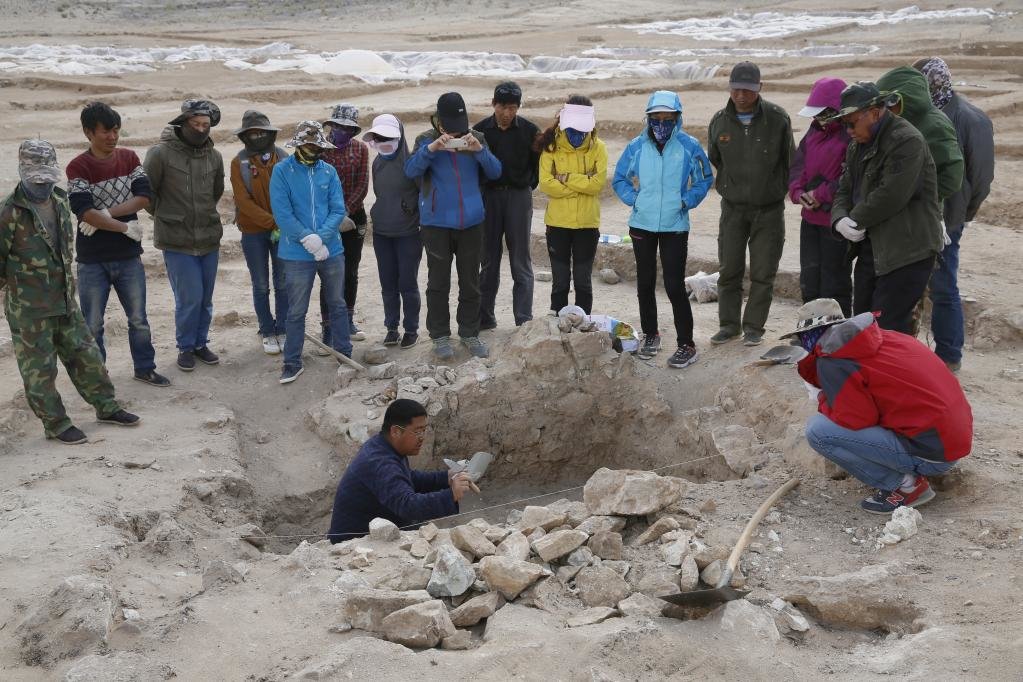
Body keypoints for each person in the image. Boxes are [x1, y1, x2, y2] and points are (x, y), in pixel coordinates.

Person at [1, 140, 140, 444]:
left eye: (47, 178)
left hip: (65, 300)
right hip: (30, 311)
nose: (42, 185)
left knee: (86, 355)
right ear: (22, 172)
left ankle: (107, 406)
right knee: (40, 371)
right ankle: (56, 424)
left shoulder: (61, 201)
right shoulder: (9, 213)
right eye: (36, 179)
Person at [784, 298, 972, 514]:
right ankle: (906, 470)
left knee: (818, 431)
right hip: (950, 440)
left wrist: (823, 398)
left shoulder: (835, 360)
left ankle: (906, 486)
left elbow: (856, 419)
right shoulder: (884, 336)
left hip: (932, 453)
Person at [67, 101, 169, 387]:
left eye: (115, 131)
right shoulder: (78, 166)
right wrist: (125, 226)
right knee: (93, 325)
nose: (112, 137)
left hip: (127, 256)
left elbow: (144, 197)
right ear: (89, 132)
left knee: (138, 319)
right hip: (92, 259)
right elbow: (83, 211)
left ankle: (145, 368)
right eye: (105, 132)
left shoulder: (129, 158)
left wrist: (106, 214)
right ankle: (97, 379)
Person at [830, 82, 944, 334]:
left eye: (851, 122)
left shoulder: (906, 141)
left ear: (874, 112)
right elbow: (844, 188)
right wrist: (839, 219)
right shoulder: (857, 144)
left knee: (889, 330)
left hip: (906, 250)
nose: (847, 130)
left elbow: (891, 194)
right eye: (844, 124)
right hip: (873, 247)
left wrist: (855, 219)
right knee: (862, 324)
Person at [613, 90, 713, 369]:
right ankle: (651, 335)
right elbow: (620, 178)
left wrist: (686, 201)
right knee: (644, 283)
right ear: (648, 118)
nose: (661, 124)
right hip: (642, 224)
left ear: (677, 119)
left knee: (673, 285)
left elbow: (704, 178)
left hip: (674, 225)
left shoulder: (689, 146)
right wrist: (636, 200)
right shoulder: (636, 146)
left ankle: (686, 344)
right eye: (656, 118)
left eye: (668, 118)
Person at [404, 92, 502, 361]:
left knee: (471, 282)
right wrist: (432, 149)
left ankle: (469, 333)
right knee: (438, 282)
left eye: (459, 125)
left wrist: (479, 152)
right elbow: (411, 171)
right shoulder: (425, 139)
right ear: (439, 121)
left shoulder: (477, 138)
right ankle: (439, 336)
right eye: (450, 126)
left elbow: (495, 172)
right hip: (435, 223)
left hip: (471, 222)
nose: (455, 131)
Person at [913, 57, 995, 372]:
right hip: (916, 215)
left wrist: (961, 214)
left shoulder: (970, 120)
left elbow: (981, 177)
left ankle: (948, 355)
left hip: (948, 218)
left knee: (943, 285)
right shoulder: (917, 114)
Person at [707, 61, 795, 347]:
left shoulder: (778, 119)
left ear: (759, 88)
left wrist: (776, 190)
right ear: (730, 88)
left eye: (748, 90)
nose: (741, 96)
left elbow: (790, 161)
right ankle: (729, 325)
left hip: (768, 210)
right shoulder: (719, 121)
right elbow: (716, 158)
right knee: (729, 268)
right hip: (732, 209)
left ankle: (754, 327)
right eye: (736, 89)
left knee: (763, 271)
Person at [143, 99, 225, 372]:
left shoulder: (214, 156)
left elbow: (215, 192)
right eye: (196, 124)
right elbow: (148, 195)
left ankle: (201, 343)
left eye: (206, 125)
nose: (202, 129)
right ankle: (186, 347)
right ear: (183, 122)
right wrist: (169, 217)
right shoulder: (160, 153)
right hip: (177, 240)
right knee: (189, 298)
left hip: (209, 238)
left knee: (206, 298)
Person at [269, 121, 352, 384]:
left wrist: (322, 238)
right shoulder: (282, 171)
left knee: (338, 304)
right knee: (296, 311)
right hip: (296, 254)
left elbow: (338, 209)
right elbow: (282, 213)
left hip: (332, 249)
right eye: (308, 144)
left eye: (317, 144)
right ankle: (292, 362)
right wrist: (307, 238)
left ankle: (344, 355)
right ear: (298, 144)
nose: (313, 148)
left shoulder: (328, 171)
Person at [327, 399, 474, 542]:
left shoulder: (384, 446)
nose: (422, 437)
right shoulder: (379, 462)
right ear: (395, 431)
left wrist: (446, 478)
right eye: (417, 432)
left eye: (424, 430)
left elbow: (407, 478)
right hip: (353, 543)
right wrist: (451, 495)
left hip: (382, 524)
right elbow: (408, 506)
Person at [474, 81, 541, 330]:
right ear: (493, 104)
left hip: (518, 198)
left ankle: (524, 320)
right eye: (502, 107)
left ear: (518, 107)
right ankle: (485, 318)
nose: (507, 113)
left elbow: (537, 169)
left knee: (520, 261)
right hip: (488, 199)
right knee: (488, 260)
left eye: (512, 108)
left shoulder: (529, 131)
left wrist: (522, 188)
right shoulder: (480, 131)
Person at [787, 78, 853, 316]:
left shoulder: (850, 135)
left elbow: (851, 177)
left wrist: (821, 194)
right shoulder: (814, 131)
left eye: (822, 113)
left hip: (836, 222)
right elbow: (798, 166)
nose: (818, 118)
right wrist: (798, 192)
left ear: (836, 109)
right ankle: (811, 333)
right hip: (810, 220)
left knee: (835, 281)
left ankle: (837, 335)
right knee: (810, 278)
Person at [536, 95, 606, 317]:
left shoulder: (599, 148)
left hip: (587, 223)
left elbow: (597, 185)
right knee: (560, 280)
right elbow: (547, 184)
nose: (578, 136)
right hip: (558, 224)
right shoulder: (551, 148)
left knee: (583, 279)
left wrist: (566, 178)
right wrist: (582, 182)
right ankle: (557, 317)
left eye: (582, 131)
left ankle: (583, 321)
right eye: (573, 130)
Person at [230, 110, 289, 355]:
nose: (257, 136)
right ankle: (267, 329)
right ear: (245, 136)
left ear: (269, 133)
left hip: (282, 231)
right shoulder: (239, 162)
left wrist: (281, 222)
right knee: (261, 284)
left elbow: (291, 193)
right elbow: (243, 201)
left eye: (261, 132)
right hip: (254, 232)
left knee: (283, 283)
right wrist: (271, 221)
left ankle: (283, 328)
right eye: (252, 133)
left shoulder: (284, 158)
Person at [362, 114, 422, 349]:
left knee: (407, 283)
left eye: (387, 136)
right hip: (382, 233)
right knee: (388, 283)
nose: (382, 140)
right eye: (378, 136)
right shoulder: (376, 163)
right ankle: (391, 328)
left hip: (408, 233)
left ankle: (411, 329)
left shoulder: (412, 165)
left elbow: (422, 196)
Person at [321, 103, 370, 345]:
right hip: (326, 219)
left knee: (350, 271)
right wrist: (334, 216)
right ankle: (328, 327)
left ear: (353, 131)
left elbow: (362, 184)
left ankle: (348, 320)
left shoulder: (361, 149)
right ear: (331, 125)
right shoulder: (320, 149)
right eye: (338, 126)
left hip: (354, 217)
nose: (342, 131)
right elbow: (317, 185)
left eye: (347, 128)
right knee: (329, 272)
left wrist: (346, 211)